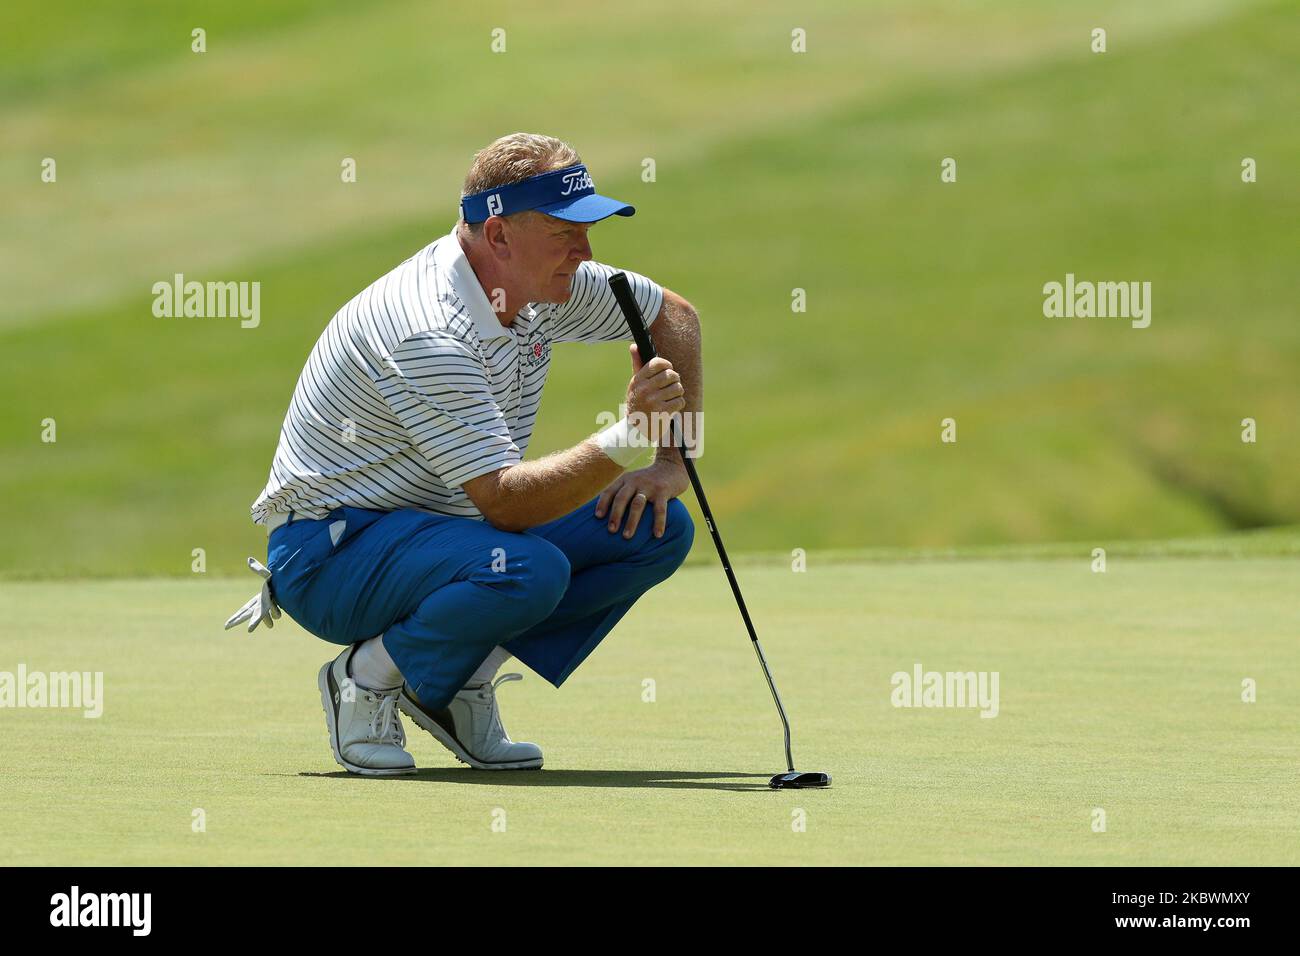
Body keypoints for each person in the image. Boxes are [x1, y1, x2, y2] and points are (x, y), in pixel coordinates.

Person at [224, 132, 702, 776]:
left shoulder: (533, 282)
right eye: (567, 232)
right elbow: (504, 505)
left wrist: (671, 463)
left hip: (448, 534)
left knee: (654, 526)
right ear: (499, 236)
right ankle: (362, 678)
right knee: (527, 568)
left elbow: (674, 316)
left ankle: (450, 682)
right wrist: (626, 439)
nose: (587, 252)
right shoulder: (428, 328)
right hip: (331, 555)